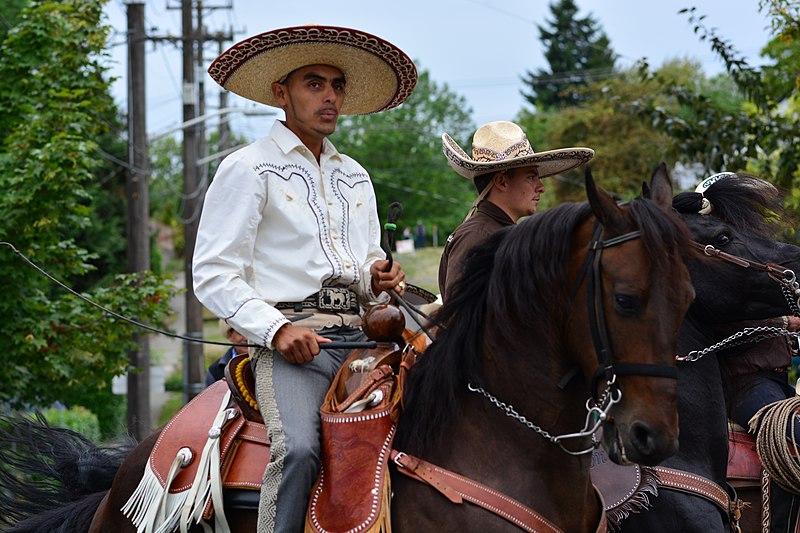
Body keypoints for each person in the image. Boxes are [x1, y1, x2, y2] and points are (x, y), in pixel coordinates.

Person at [193, 24, 417, 532]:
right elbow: (212, 272)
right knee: (297, 450)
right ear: (281, 93)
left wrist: (378, 276)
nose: (330, 96)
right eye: (314, 84)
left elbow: (364, 262)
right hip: (293, 345)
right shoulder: (248, 168)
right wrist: (275, 330)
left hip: (364, 342)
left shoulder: (355, 175)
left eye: (337, 85)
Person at [437, 121, 594, 300]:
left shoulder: (497, 232)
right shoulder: (478, 236)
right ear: (501, 182)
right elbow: (460, 318)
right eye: (531, 177)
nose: (541, 187)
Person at [204, 319, 249, 387]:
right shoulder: (215, 370)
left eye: (251, 334)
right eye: (240, 333)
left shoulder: (269, 363)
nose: (246, 338)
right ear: (230, 335)